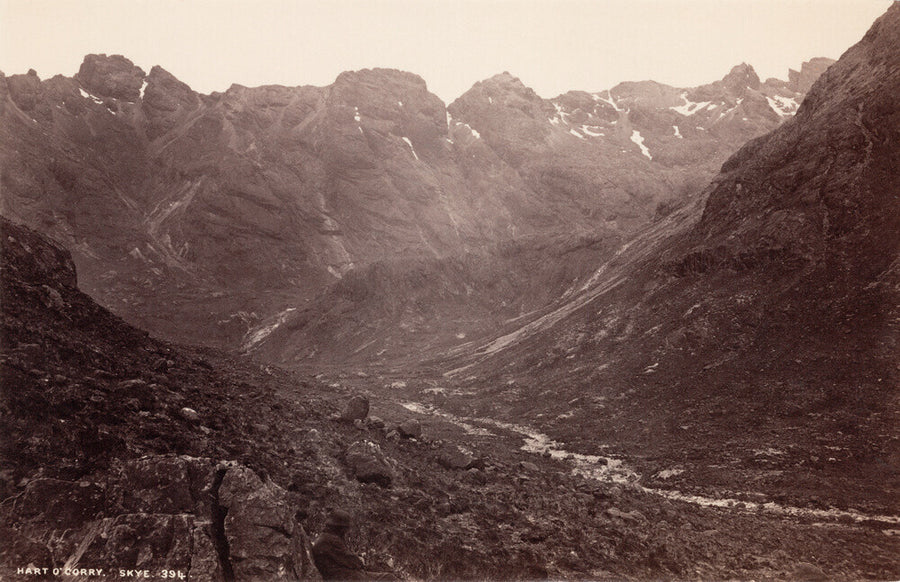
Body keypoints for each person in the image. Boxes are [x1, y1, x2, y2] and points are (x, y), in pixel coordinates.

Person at [311, 510, 398, 580]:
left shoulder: (326, 538)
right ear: (339, 528)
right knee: (388, 578)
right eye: (345, 528)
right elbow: (352, 561)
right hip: (343, 577)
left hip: (343, 575)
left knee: (386, 576)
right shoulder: (330, 540)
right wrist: (360, 560)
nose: (346, 532)